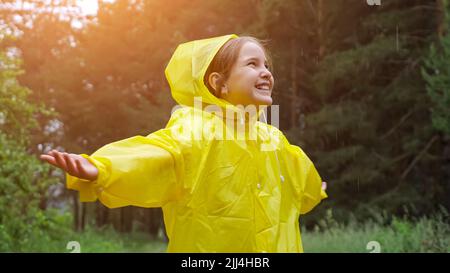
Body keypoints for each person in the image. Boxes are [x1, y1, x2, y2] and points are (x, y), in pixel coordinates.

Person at [40, 34, 327, 252]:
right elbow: (159, 154)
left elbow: (297, 178)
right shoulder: (196, 127)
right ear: (219, 83)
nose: (266, 72)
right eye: (252, 64)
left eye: (266, 65)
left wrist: (315, 187)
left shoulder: (272, 138)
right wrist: (102, 168)